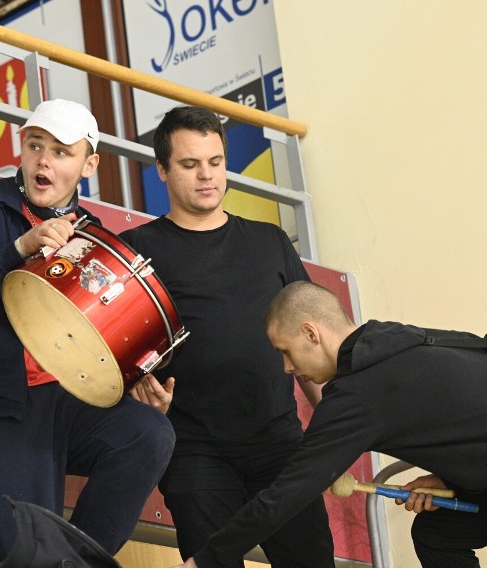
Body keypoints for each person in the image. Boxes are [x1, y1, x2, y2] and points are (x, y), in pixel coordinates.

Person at [178, 281, 487, 568]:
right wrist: (450, 477)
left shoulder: (357, 392)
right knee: (437, 535)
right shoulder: (388, 340)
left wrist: (207, 558)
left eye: (286, 352)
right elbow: (469, 410)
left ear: (310, 332)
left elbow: (288, 493)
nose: (287, 367)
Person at [0, 98, 176, 561]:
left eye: (61, 151)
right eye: (36, 145)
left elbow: (107, 332)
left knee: (150, 432)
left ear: (89, 163)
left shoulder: (95, 234)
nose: (44, 160)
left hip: (72, 404)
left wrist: (134, 380)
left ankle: (79, 562)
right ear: (21, 148)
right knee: (33, 553)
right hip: (2, 409)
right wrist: (18, 248)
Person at [119, 106, 335, 567]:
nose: (206, 176)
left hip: (278, 443)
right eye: (189, 164)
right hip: (194, 451)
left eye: (215, 162)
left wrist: (341, 426)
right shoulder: (137, 249)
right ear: (162, 170)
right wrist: (139, 393)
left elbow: (313, 349)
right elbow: (116, 364)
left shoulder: (270, 241)